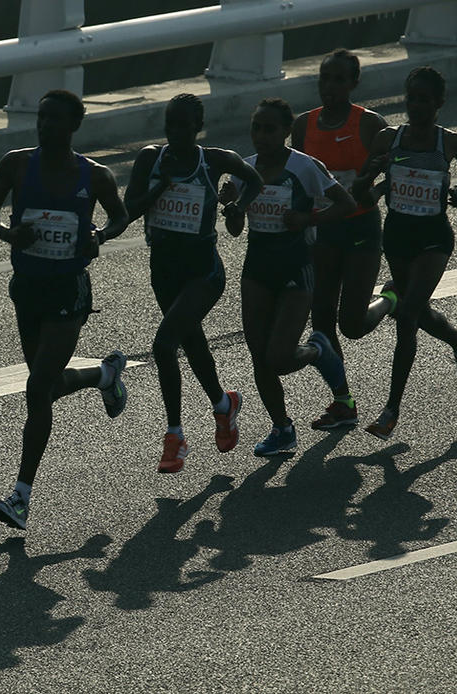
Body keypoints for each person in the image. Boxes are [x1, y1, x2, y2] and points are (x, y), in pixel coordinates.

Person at [0, 89, 129, 529]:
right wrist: (10, 235)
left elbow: (120, 217)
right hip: (27, 288)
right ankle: (103, 375)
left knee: (37, 387)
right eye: (42, 118)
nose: (46, 126)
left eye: (56, 120)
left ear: (74, 126)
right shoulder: (17, 164)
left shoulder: (95, 175)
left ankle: (20, 497)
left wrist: (98, 236)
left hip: (69, 291)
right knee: (41, 387)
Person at [125, 94, 263, 473]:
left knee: (165, 345)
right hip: (164, 271)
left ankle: (175, 436)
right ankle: (224, 404)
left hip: (204, 272)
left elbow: (254, 179)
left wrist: (237, 207)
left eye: (184, 126)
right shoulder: (151, 159)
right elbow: (129, 207)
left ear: (197, 128)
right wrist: (160, 187)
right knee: (192, 341)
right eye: (171, 125)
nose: (176, 133)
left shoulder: (214, 160)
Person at [223, 97, 357, 456]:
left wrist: (308, 219)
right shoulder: (243, 170)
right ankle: (282, 429)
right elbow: (236, 229)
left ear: (286, 132)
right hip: (257, 269)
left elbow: (346, 204)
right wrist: (231, 207)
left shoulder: (305, 167)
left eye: (270, 129)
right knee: (259, 357)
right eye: (256, 128)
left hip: (297, 266)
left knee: (279, 357)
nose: (261, 136)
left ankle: (317, 350)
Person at [352, 67, 457, 440]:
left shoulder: (450, 143)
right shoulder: (387, 140)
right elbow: (362, 189)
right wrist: (373, 179)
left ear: (439, 103)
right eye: (411, 98)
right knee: (417, 309)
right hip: (397, 236)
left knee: (407, 314)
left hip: (434, 238)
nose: (416, 106)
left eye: (425, 99)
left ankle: (391, 409)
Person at [292, 48, 397, 431]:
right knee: (320, 319)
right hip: (322, 231)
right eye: (325, 78)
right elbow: (297, 179)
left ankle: (389, 299)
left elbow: (396, 173)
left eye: (339, 79)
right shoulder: (303, 126)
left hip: (359, 229)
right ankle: (343, 401)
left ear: (354, 83)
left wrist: (374, 189)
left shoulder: (370, 125)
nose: (331, 86)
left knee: (351, 323)